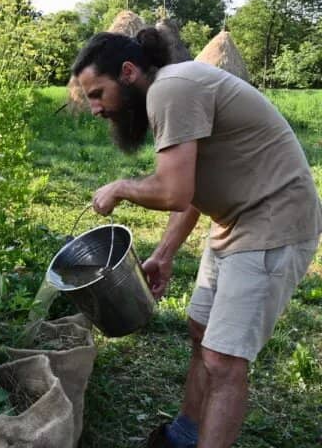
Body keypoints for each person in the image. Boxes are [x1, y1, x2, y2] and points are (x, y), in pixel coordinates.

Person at [70, 28, 322, 448]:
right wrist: (165, 253)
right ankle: (185, 435)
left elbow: (173, 192)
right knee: (201, 331)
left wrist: (120, 188)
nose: (95, 108)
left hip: (275, 221)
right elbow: (192, 186)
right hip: (234, 221)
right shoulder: (172, 91)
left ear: (128, 72)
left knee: (224, 360)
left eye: (98, 93)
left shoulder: (171, 89)